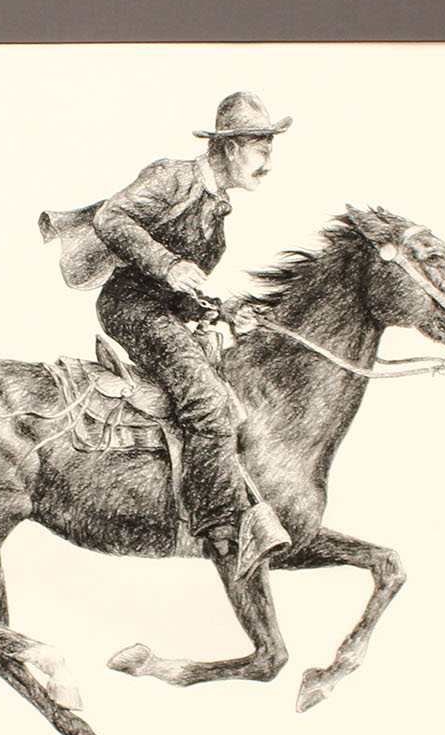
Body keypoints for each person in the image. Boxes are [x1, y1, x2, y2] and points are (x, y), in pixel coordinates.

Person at [39, 91, 292, 570]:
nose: (268, 164)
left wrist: (220, 312)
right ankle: (219, 526)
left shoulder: (217, 218)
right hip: (130, 307)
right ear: (231, 147)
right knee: (209, 400)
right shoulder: (172, 176)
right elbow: (112, 216)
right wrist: (167, 264)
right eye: (262, 149)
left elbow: (180, 291)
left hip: (162, 311)